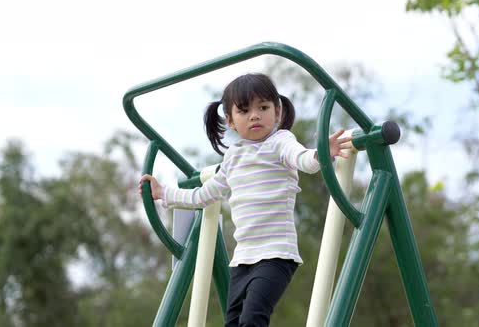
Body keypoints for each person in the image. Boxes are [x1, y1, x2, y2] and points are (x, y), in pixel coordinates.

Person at [139, 73, 351, 327]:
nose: (255, 115)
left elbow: (304, 160)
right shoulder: (233, 157)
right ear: (230, 120)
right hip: (242, 260)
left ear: (278, 111)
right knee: (233, 323)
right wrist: (165, 194)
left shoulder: (280, 142)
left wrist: (321, 154)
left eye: (263, 107)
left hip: (276, 254)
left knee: (252, 319)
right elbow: (203, 195)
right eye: (245, 110)